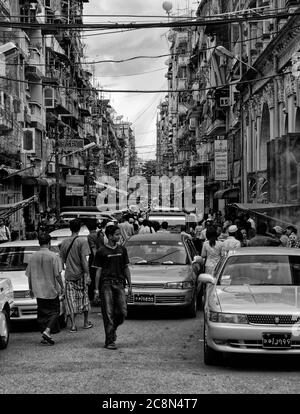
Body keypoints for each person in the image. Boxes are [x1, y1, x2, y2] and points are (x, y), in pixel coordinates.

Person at [93, 225, 132, 350]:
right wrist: (96, 290)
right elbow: (98, 271)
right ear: (109, 236)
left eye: (119, 234)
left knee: (122, 312)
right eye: (116, 234)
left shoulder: (122, 250)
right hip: (106, 285)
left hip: (120, 283)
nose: (119, 236)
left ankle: (113, 328)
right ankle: (109, 341)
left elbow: (126, 268)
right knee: (108, 312)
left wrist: (130, 285)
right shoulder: (101, 251)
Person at [25, 232, 64, 346]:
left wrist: (31, 289)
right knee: (55, 311)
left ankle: (46, 334)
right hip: (51, 289)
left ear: (39, 243)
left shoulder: (32, 257)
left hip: (38, 289)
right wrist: (62, 287)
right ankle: (47, 331)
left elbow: (29, 275)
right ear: (49, 243)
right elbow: (57, 275)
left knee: (42, 313)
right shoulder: (54, 256)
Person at [60, 219, 92, 333]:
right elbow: (84, 260)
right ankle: (85, 322)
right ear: (79, 228)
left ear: (70, 228)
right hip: (81, 275)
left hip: (69, 275)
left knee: (70, 300)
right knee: (84, 298)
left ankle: (73, 325)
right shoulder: (82, 242)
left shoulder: (64, 243)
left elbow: (62, 260)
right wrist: (87, 274)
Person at [86, 218, 104, 302]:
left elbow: (93, 249)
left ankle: (94, 297)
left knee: (93, 278)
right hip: (102, 256)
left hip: (94, 259)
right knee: (100, 278)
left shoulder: (90, 236)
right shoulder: (100, 234)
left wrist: (96, 261)